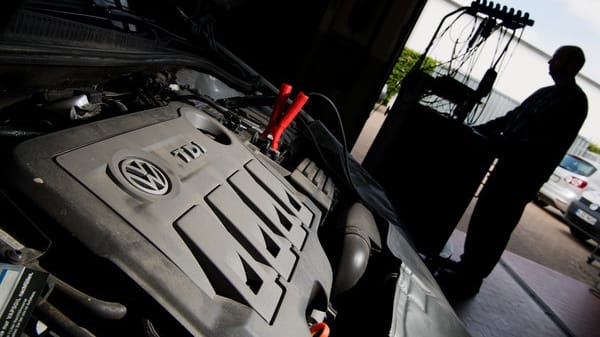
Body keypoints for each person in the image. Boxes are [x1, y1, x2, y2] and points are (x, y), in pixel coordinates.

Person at [435, 45, 588, 301]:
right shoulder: (545, 93)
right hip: (506, 167)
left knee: (496, 227)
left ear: (571, 65)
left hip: (523, 176)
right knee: (484, 217)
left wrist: (497, 144)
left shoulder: (574, 101)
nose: (550, 61)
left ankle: (471, 280)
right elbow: (512, 118)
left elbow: (543, 142)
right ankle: (466, 266)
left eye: (557, 58)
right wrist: (476, 131)